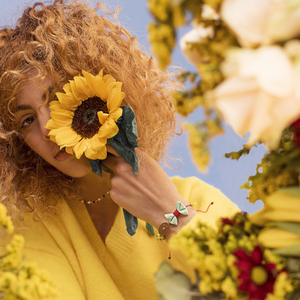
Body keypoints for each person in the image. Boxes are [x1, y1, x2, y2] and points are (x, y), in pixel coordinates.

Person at [0, 0, 240, 299]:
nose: (47, 127)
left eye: (55, 98)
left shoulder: (197, 200)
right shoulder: (28, 227)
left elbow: (268, 288)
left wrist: (175, 217)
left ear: (97, 86)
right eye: (27, 120)